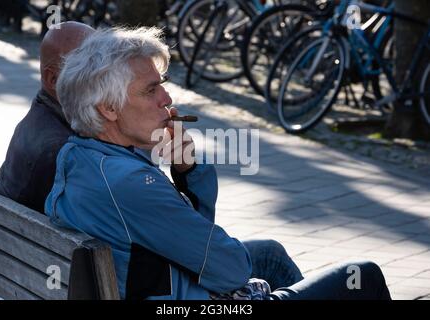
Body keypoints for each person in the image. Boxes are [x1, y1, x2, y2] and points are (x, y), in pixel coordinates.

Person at [45, 27, 391, 300]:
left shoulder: (79, 156)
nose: (167, 99)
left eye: (162, 87)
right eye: (150, 91)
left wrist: (188, 171)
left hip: (158, 285)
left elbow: (197, 245)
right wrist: (183, 179)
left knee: (269, 253)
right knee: (362, 275)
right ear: (108, 108)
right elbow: (231, 270)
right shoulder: (131, 184)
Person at [0, 22, 95, 214]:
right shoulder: (65, 150)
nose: (106, 72)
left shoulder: (43, 117)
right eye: (90, 65)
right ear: (53, 79)